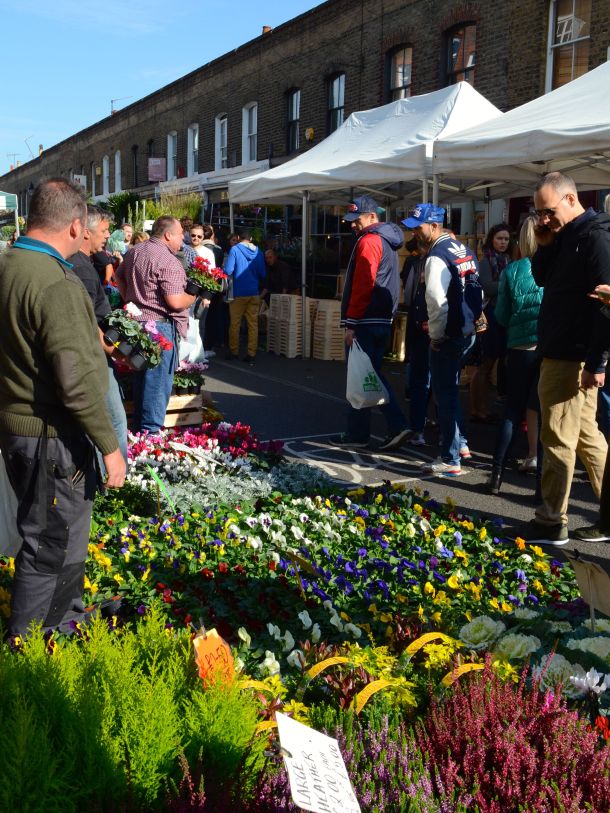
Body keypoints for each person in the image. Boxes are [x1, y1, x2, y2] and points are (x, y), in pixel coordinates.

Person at [0, 178, 125, 637]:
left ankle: (62, 625)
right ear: (76, 226)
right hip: (50, 436)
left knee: (48, 537)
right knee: (51, 545)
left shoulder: (9, 262)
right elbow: (77, 380)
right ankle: (29, 656)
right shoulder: (55, 280)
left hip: (21, 428)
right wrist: (110, 445)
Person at [522, 171, 610, 545]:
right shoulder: (564, 236)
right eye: (537, 212)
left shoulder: (595, 239)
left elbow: (607, 305)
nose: (542, 219)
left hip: (571, 356)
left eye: (547, 211)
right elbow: (544, 281)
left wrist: (597, 362)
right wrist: (543, 244)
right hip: (565, 351)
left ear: (571, 200)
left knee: (556, 437)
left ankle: (550, 520)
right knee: (587, 437)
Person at [402, 203, 483, 476]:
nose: (414, 234)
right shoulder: (465, 250)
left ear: (435, 226)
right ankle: (460, 445)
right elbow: (476, 289)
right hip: (467, 330)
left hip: (450, 333)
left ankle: (450, 457)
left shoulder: (436, 255)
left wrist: (436, 336)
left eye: (419, 228)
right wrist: (477, 318)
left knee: (445, 394)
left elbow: (436, 300)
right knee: (452, 390)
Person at [334, 196, 409, 451]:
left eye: (358, 219)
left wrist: (352, 321)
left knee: (364, 376)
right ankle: (360, 431)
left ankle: (394, 425)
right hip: (380, 318)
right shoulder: (386, 241)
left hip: (366, 319)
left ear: (372, 217)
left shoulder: (369, 241)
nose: (353, 225)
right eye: (352, 220)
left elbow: (364, 283)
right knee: (368, 375)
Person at [115, 216, 196, 433]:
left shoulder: (135, 251)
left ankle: (141, 436)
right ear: (168, 234)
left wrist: (131, 302)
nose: (183, 238)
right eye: (181, 234)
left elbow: (118, 275)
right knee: (157, 385)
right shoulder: (168, 260)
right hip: (159, 328)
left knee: (142, 381)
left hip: (137, 325)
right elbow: (176, 302)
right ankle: (150, 437)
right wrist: (193, 296)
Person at [67, 205, 129, 465]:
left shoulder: (85, 262)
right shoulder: (80, 267)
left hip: (98, 353)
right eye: (103, 231)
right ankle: (114, 483)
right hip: (95, 358)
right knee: (113, 420)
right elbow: (87, 321)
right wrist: (116, 352)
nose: (107, 236)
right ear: (85, 232)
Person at [487, 215, 543, 496]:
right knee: (546, 414)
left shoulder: (512, 270)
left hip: (519, 347)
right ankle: (542, 488)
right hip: (548, 349)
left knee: (511, 410)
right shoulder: (556, 267)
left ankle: (496, 476)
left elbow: (502, 314)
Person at [469, 223, 511, 422]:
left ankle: (482, 407)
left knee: (491, 363)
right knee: (484, 364)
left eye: (506, 239)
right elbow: (486, 286)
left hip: (500, 314)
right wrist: (508, 283)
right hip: (488, 314)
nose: (503, 242)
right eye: (499, 238)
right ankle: (477, 408)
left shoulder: (507, 260)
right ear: (491, 240)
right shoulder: (486, 261)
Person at [402, 240, 431, 446]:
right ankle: (455, 439)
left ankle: (418, 428)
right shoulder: (452, 260)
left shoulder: (419, 264)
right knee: (444, 383)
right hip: (438, 327)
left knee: (420, 378)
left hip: (422, 324)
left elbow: (408, 295)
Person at [224, 227, 267, 364]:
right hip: (254, 292)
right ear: (251, 238)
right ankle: (251, 354)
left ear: (238, 237)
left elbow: (228, 270)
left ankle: (234, 352)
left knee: (235, 324)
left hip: (238, 293)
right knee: (253, 325)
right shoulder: (259, 252)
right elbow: (263, 274)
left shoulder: (235, 250)